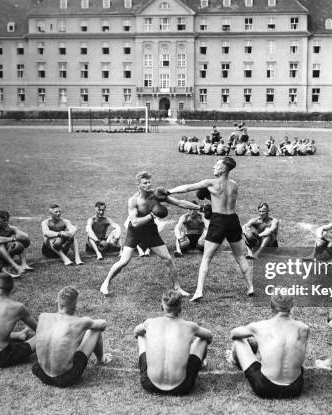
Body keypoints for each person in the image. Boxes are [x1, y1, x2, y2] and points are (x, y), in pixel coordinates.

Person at [167, 156, 253, 301]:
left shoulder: (210, 182)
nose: (214, 166)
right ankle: (251, 287)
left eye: (217, 164)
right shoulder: (234, 185)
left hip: (218, 220)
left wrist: (169, 191)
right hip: (233, 220)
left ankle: (199, 291)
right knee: (240, 256)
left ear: (224, 168)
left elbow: (187, 187)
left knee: (206, 258)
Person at [99, 171, 199, 296]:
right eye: (145, 183)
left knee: (167, 259)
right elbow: (134, 222)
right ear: (139, 185)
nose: (148, 185)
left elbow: (179, 203)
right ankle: (106, 282)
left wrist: (199, 208)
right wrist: (151, 214)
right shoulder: (133, 201)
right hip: (134, 232)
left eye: (149, 182)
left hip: (150, 231)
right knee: (124, 261)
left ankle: (177, 288)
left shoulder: (156, 195)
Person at [226, 293, 308, 399]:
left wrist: (254, 334)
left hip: (265, 387)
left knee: (238, 341)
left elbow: (234, 334)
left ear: (271, 305)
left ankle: (234, 360)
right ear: (292, 305)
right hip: (295, 389)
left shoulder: (260, 326)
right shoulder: (303, 328)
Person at [133, 290, 213, 395]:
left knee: (141, 335)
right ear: (180, 308)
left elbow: (136, 332)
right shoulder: (190, 326)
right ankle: (201, 364)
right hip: (182, 387)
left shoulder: (149, 323)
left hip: (149, 384)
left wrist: (153, 344)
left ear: (162, 307)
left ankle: (153, 365)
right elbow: (209, 336)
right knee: (202, 339)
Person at [32, 286, 111, 387]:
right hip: (64, 378)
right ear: (75, 305)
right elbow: (103, 324)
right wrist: (83, 324)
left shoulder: (42, 316)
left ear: (57, 302)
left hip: (40, 372)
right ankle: (100, 359)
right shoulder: (81, 322)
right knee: (96, 330)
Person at [0, 210, 33, 276]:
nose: (5, 223)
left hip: (6, 254)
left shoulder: (10, 228)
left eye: (6, 220)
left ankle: (24, 264)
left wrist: (21, 236)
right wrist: (12, 239)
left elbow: (25, 235)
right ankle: (16, 267)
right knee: (0, 244)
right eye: (2, 221)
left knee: (19, 244)